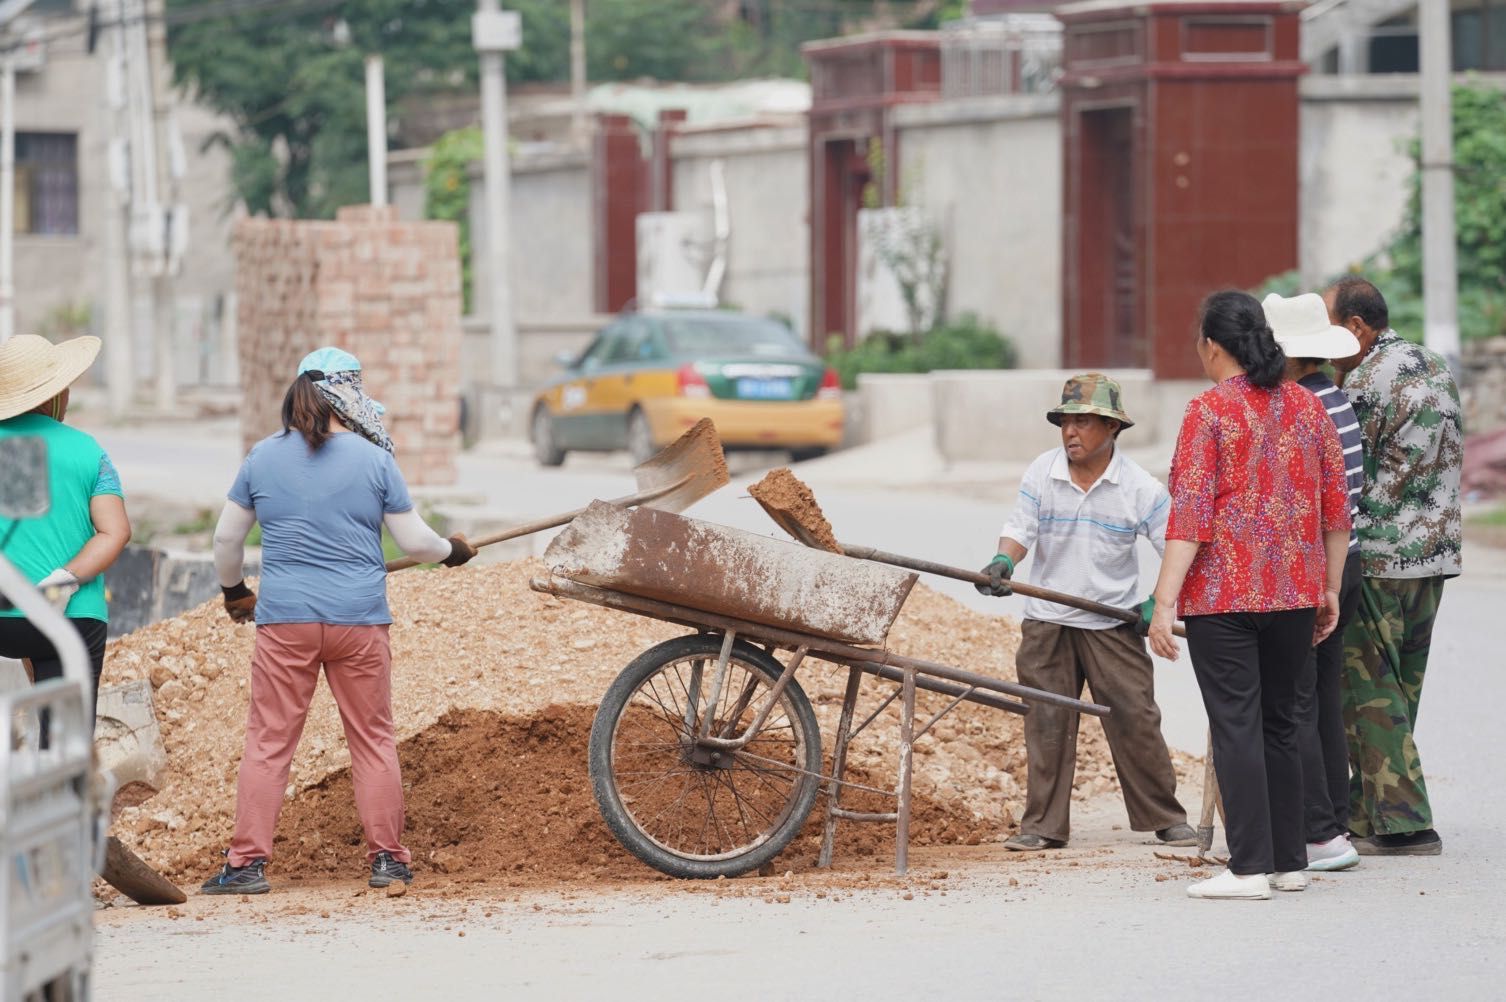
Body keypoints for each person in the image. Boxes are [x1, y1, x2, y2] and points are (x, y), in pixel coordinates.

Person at [201, 348, 478, 896]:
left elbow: (226, 539)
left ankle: (245, 866)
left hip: (285, 622)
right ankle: (388, 863)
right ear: (347, 399)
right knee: (373, 740)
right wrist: (452, 551)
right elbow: (417, 542)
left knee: (269, 742)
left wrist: (235, 591)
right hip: (358, 620)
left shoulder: (262, 456)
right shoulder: (374, 460)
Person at [1147, 291, 1350, 901]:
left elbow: (1189, 517)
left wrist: (1162, 601)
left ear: (1212, 344)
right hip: (1294, 591)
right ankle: (1290, 862)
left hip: (1223, 599)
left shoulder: (1208, 412)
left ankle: (1247, 869)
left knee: (1236, 725)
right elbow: (1336, 510)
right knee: (1281, 725)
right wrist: (1330, 587)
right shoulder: (1307, 409)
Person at [977, 373, 1196, 853]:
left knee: (1135, 718)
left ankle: (1165, 815)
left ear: (1113, 428)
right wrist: (1004, 560)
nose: (1071, 432)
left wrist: (1155, 602)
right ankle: (1043, 826)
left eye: (1083, 422)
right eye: (1065, 422)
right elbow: (1021, 526)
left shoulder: (1138, 488)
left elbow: (1176, 548)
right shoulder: (1043, 471)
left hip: (1111, 622)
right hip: (1048, 621)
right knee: (1047, 723)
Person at [1325, 276, 1462, 856]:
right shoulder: (1432, 365)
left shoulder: (1362, 381)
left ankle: (1408, 826)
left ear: (1357, 327)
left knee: (1371, 694)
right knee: (1400, 693)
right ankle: (1367, 812)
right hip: (1434, 556)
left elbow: (1346, 472)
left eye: (1331, 328)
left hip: (1381, 557)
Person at [1262, 292, 1365, 873]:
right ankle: (1336, 822)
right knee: (1321, 696)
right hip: (1345, 559)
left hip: (1314, 563)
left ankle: (1319, 833)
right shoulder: (1335, 398)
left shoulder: (1300, 406)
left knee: (1293, 699)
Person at [0, 334, 131, 729]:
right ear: (54, 395)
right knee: (64, 741)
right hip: (66, 616)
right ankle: (62, 783)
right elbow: (115, 532)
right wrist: (64, 581)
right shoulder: (87, 450)